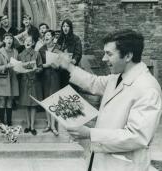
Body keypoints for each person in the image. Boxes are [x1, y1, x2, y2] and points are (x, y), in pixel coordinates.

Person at [59, 29, 161, 171]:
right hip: (102, 160)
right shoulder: (117, 76)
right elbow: (94, 82)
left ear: (128, 56)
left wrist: (90, 133)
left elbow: (137, 136)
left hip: (125, 166)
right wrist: (69, 67)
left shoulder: (147, 88)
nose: (103, 59)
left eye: (109, 54)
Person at [17, 35, 43, 136]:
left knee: (33, 105)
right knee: (26, 105)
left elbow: (41, 67)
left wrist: (36, 69)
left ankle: (32, 126)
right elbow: (18, 69)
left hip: (34, 81)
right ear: (23, 43)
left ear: (33, 43)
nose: (27, 43)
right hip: (24, 82)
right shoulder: (20, 55)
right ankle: (28, 125)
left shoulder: (37, 54)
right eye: (25, 41)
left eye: (30, 41)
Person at [38, 30, 60, 136]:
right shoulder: (41, 50)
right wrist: (46, 65)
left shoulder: (58, 49)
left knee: (54, 101)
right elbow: (39, 64)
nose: (46, 37)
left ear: (52, 37)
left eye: (48, 35)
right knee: (47, 100)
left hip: (55, 77)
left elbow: (62, 63)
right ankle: (48, 125)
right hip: (45, 77)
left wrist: (58, 66)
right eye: (45, 35)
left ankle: (53, 126)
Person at [0, 33, 19, 128]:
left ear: (13, 40)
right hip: (3, 79)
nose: (9, 40)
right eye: (7, 38)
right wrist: (6, 66)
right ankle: (2, 123)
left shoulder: (16, 51)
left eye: (11, 38)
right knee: (2, 101)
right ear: (4, 40)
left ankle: (9, 122)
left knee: (10, 101)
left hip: (13, 78)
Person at [56, 19, 82, 88]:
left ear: (70, 28)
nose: (65, 28)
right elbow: (56, 50)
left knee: (70, 87)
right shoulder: (60, 38)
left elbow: (78, 53)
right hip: (61, 67)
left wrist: (74, 60)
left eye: (67, 26)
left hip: (71, 67)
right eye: (63, 26)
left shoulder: (76, 38)